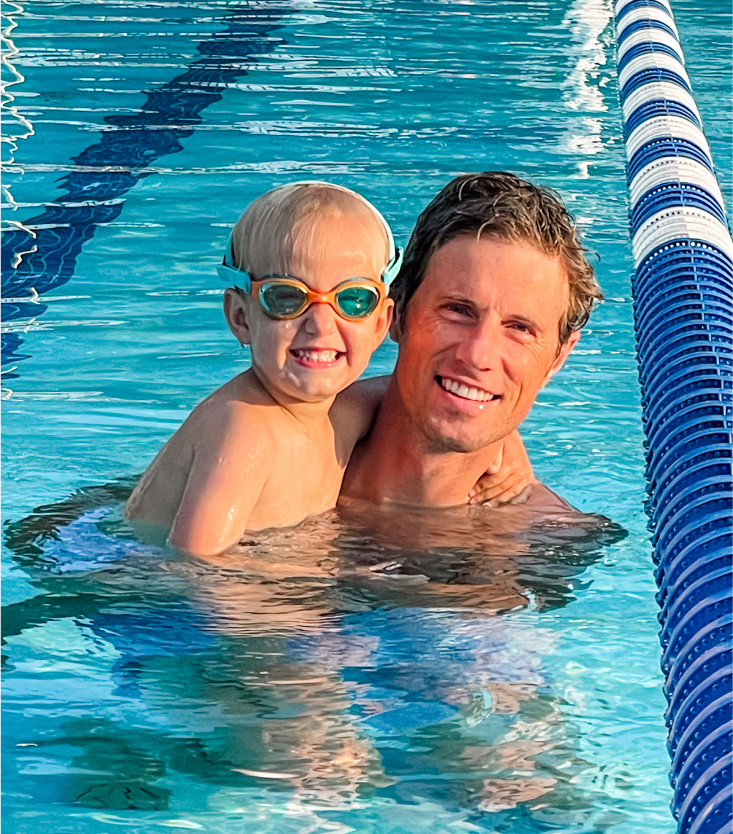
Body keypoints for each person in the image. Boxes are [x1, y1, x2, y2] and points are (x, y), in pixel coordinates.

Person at [124, 181, 530, 556]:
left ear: (380, 324)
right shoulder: (245, 431)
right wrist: (298, 618)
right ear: (241, 318)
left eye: (353, 300)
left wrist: (503, 438)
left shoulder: (337, 414)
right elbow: (194, 563)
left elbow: (427, 393)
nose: (320, 324)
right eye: (286, 298)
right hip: (136, 595)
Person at [341, 170, 603, 512]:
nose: (478, 355)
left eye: (520, 328)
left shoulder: (550, 548)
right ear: (397, 314)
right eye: (457, 310)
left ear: (557, 359)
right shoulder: (274, 477)